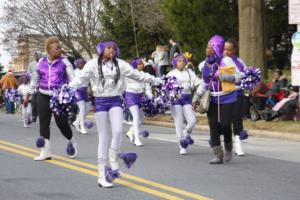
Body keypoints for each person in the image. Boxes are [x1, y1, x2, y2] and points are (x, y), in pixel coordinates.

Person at [69, 40, 161, 188]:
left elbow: (137, 75)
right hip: (99, 102)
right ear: (101, 50)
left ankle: (113, 161)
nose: (111, 50)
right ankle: (101, 175)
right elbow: (80, 79)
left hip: (115, 101)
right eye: (108, 48)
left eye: (114, 48)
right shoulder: (92, 64)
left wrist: (156, 80)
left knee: (118, 131)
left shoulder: (120, 64)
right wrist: (67, 89)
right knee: (103, 137)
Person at [23, 36, 77, 161]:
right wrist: (28, 95)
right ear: (49, 50)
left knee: (61, 123)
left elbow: (73, 79)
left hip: (59, 97)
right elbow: (35, 81)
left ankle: (71, 140)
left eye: (60, 48)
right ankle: (45, 151)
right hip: (43, 95)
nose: (60, 50)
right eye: (56, 48)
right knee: (43, 123)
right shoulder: (41, 62)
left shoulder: (65, 62)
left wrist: (69, 93)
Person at [194, 35, 240, 164]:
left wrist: (224, 77)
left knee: (225, 125)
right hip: (212, 98)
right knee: (213, 125)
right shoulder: (205, 64)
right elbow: (204, 82)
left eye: (210, 47)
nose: (207, 49)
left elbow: (239, 76)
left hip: (228, 97)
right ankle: (217, 154)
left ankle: (229, 147)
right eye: (207, 47)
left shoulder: (227, 61)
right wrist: (196, 96)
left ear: (216, 48)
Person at [167, 54, 204, 155]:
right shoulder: (170, 74)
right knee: (178, 121)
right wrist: (172, 94)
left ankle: (186, 133)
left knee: (192, 121)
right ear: (175, 63)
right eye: (179, 61)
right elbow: (166, 88)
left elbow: (199, 83)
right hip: (175, 99)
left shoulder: (190, 72)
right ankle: (182, 145)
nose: (181, 63)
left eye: (183, 61)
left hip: (187, 98)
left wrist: (198, 93)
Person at [221, 39, 247, 156]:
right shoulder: (221, 60)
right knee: (225, 121)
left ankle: (238, 145)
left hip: (239, 93)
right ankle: (226, 142)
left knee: (237, 118)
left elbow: (246, 74)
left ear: (234, 50)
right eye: (224, 49)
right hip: (226, 93)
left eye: (229, 49)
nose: (226, 51)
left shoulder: (240, 61)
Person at [125, 58, 153, 146]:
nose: (141, 65)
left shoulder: (144, 74)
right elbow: (122, 84)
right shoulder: (129, 73)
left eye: (142, 63)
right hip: (131, 95)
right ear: (135, 65)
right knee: (136, 117)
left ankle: (130, 132)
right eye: (139, 64)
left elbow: (147, 86)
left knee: (141, 119)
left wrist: (150, 96)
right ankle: (137, 139)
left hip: (140, 96)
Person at [72, 58, 90, 135]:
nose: (82, 64)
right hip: (77, 91)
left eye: (83, 63)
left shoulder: (87, 72)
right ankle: (82, 127)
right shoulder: (74, 72)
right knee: (82, 108)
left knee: (87, 108)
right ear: (76, 64)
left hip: (85, 91)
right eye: (80, 63)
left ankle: (76, 122)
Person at [27, 52, 41, 122]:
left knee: (41, 102)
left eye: (37, 55)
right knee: (34, 101)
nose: (36, 56)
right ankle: (34, 116)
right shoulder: (31, 64)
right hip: (34, 84)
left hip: (42, 85)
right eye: (35, 55)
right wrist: (35, 73)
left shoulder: (44, 62)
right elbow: (28, 74)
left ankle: (41, 116)